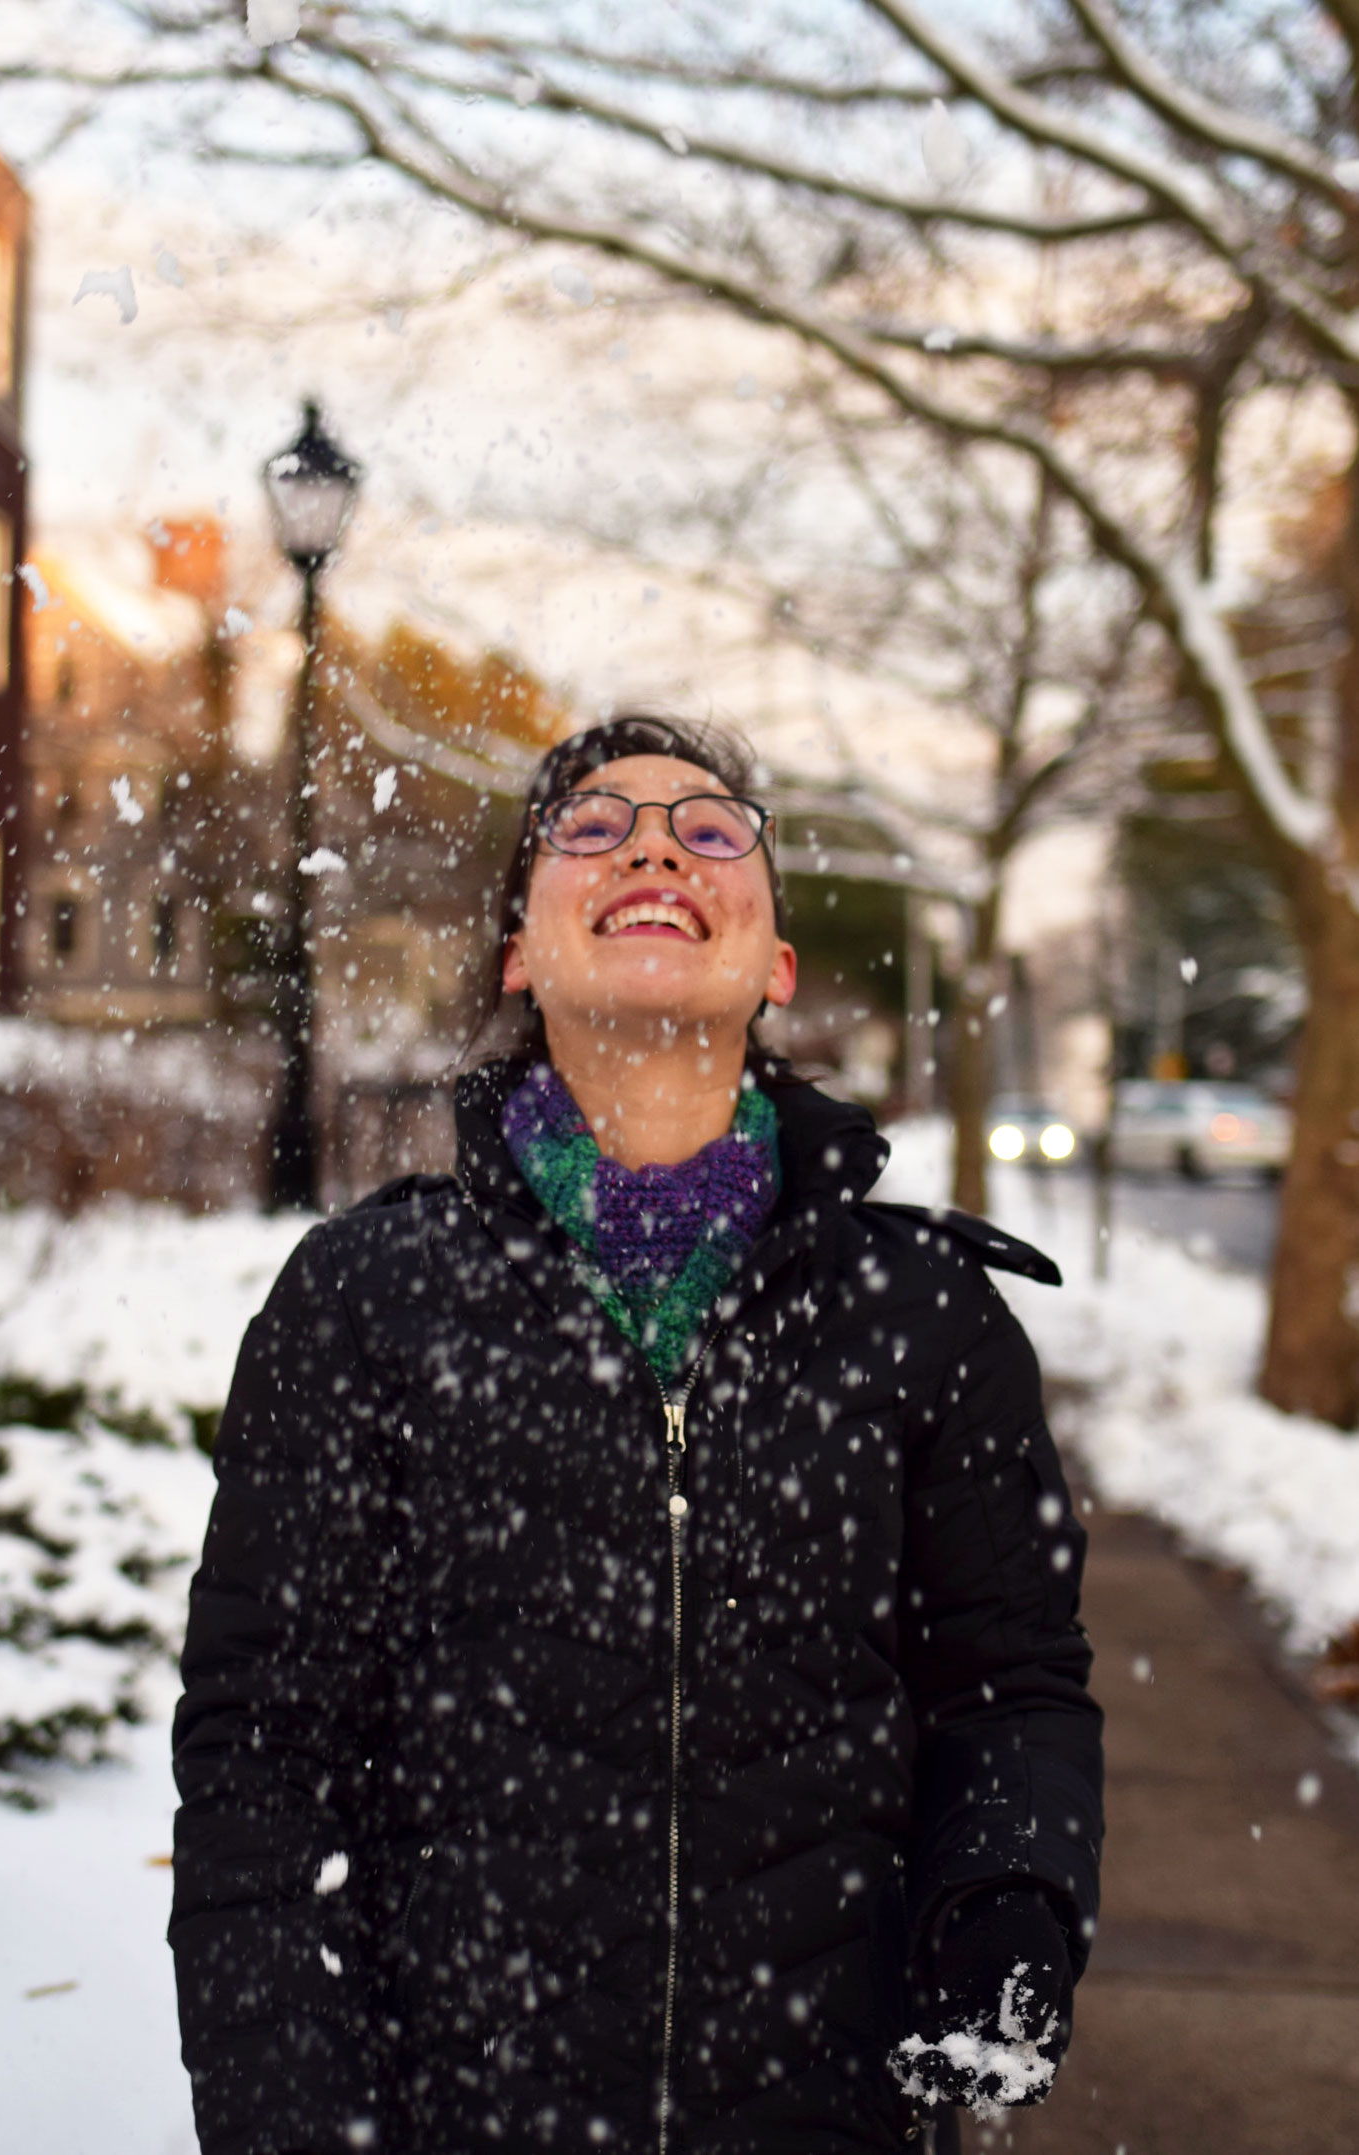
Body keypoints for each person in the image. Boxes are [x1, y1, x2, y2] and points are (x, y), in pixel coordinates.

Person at [170, 714, 1103, 2155]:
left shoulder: (927, 1318)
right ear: (519, 954)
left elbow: (1010, 1691)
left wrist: (1004, 1907)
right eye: (592, 828)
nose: (657, 845)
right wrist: (282, 2098)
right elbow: (262, 1753)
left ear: (775, 964)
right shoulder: (363, 1304)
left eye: (713, 829)